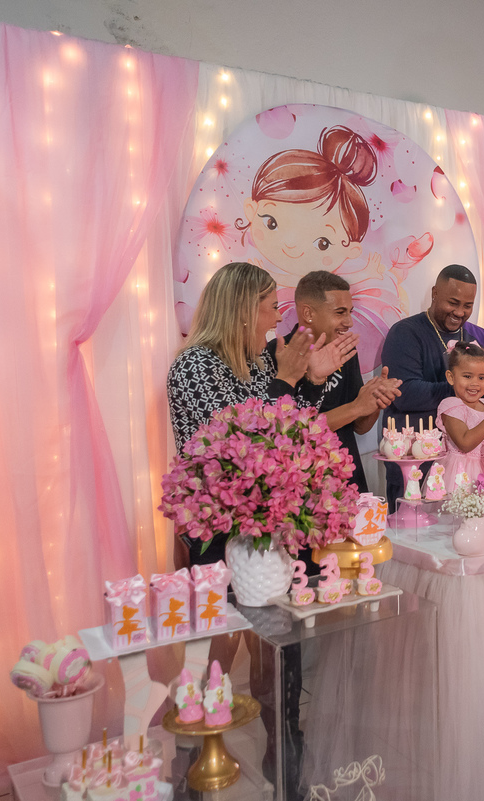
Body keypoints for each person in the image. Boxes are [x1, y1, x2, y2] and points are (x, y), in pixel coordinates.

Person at [166, 261, 346, 565]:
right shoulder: (195, 365)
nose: (279, 317)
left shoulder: (258, 362)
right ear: (244, 312)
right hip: (222, 528)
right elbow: (240, 443)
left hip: (269, 520)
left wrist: (313, 381)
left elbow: (294, 434)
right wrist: (285, 380)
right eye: (273, 307)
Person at [236, 125, 412, 369]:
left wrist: (367, 393)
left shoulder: (345, 351)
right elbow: (282, 396)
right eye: (273, 222)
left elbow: (355, 395)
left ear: (351, 249)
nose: (292, 245)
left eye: (323, 242)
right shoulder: (276, 352)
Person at [380, 264, 484, 507]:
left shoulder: (480, 337)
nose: (460, 312)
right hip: (415, 462)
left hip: (474, 468)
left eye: (468, 305)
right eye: (453, 302)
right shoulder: (405, 333)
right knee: (413, 528)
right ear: (434, 293)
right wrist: (468, 388)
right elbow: (405, 394)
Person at [289, 270, 402, 493]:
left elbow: (359, 427)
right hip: (303, 485)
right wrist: (356, 407)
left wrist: (374, 401)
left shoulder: (346, 351)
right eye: (340, 312)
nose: (349, 322)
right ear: (308, 313)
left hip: (348, 477)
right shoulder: (280, 355)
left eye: (350, 312)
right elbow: (295, 432)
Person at [436, 342, 484, 481]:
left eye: (481, 378)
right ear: (451, 377)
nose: (475, 383)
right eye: (467, 376)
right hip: (460, 475)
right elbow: (465, 443)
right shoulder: (451, 405)